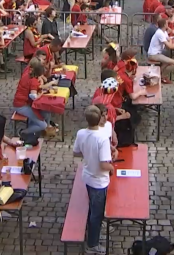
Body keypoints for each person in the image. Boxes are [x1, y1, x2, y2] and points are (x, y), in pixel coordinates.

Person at [72, 106, 114, 255]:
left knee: (93, 208)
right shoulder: (101, 138)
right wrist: (112, 168)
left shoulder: (81, 133)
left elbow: (76, 152)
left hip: (88, 176)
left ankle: (93, 231)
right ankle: (92, 244)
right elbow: (104, 164)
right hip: (99, 181)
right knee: (96, 213)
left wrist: (88, 152)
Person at [12, 58, 57, 137]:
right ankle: (23, 132)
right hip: (21, 106)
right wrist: (41, 93)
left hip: (24, 103)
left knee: (46, 111)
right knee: (42, 125)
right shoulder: (33, 80)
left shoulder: (28, 73)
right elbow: (33, 96)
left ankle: (38, 128)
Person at [146, 18, 174, 84]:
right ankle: (163, 77)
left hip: (157, 53)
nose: (168, 25)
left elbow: (169, 40)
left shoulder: (164, 32)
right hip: (153, 55)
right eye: (167, 24)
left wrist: (170, 40)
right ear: (164, 25)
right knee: (173, 62)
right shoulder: (160, 33)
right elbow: (170, 46)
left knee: (167, 61)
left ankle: (159, 75)